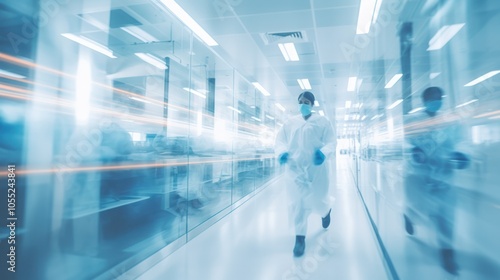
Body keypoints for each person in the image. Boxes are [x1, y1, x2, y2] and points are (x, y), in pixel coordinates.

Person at [403, 87, 470, 275]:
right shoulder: (413, 121)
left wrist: (462, 154)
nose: (435, 101)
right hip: (419, 175)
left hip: (444, 176)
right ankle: (409, 215)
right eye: (432, 98)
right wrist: (414, 152)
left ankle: (447, 253)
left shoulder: (450, 121)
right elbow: (405, 142)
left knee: (446, 216)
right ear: (424, 101)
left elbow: (462, 141)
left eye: (438, 98)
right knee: (419, 207)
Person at [274, 91, 337, 257]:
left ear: (312, 104)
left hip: (317, 168)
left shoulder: (322, 121)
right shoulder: (290, 123)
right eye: (300, 101)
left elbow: (332, 141)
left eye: (306, 101)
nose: (303, 104)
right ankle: (300, 239)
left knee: (318, 199)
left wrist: (323, 153)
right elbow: (279, 141)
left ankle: (326, 210)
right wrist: (282, 152)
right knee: (298, 203)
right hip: (295, 170)